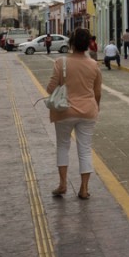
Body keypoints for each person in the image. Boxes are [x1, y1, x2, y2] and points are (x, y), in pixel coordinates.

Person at [46, 28, 102, 200]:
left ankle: (62, 184)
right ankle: (84, 189)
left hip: (64, 111)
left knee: (63, 146)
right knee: (84, 150)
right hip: (88, 111)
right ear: (87, 45)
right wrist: (95, 108)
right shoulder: (94, 65)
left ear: (71, 43)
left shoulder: (61, 62)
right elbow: (97, 92)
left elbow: (50, 88)